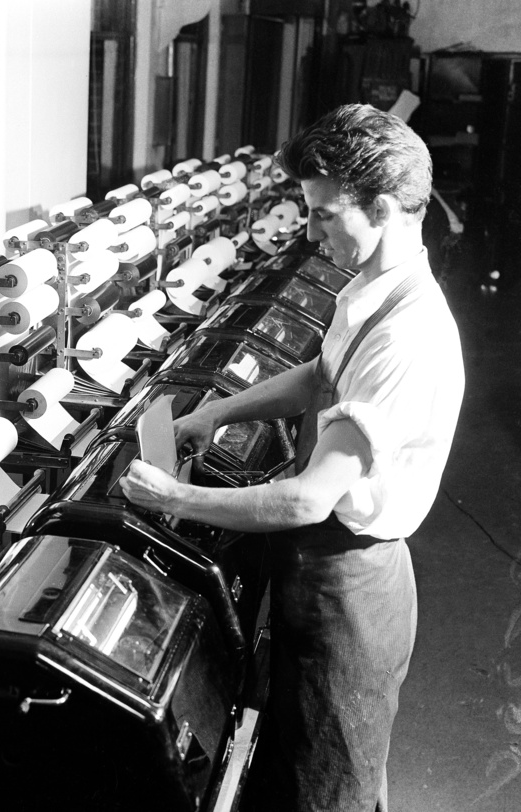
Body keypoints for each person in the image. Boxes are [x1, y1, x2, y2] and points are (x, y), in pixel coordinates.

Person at [121, 104, 465, 812]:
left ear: (389, 208)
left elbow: (309, 497)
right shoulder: (368, 289)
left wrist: (172, 500)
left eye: (325, 216)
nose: (312, 234)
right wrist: (212, 413)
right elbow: (318, 376)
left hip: (352, 588)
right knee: (295, 762)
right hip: (323, 569)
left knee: (331, 786)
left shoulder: (409, 336)